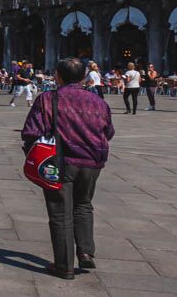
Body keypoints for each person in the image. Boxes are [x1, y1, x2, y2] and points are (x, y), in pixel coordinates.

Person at [20, 57, 115, 280]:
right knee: (83, 204)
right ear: (84, 77)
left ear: (57, 76)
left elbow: (32, 132)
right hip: (92, 163)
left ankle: (64, 265)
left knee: (60, 212)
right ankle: (85, 252)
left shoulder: (48, 99)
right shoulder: (99, 102)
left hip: (59, 162)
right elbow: (108, 132)